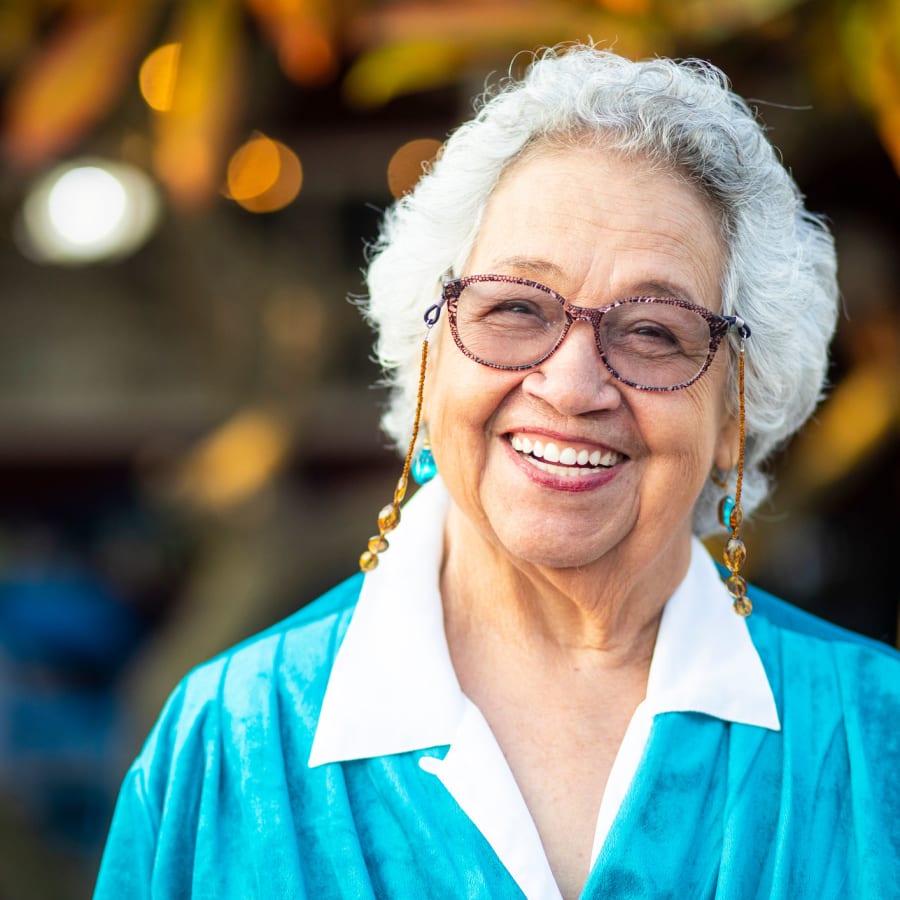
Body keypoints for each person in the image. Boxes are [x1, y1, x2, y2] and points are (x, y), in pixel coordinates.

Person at [94, 45, 900, 899]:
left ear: (735, 414)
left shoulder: (876, 734)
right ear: (428, 354)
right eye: (517, 308)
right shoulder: (226, 742)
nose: (572, 386)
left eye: (655, 331)